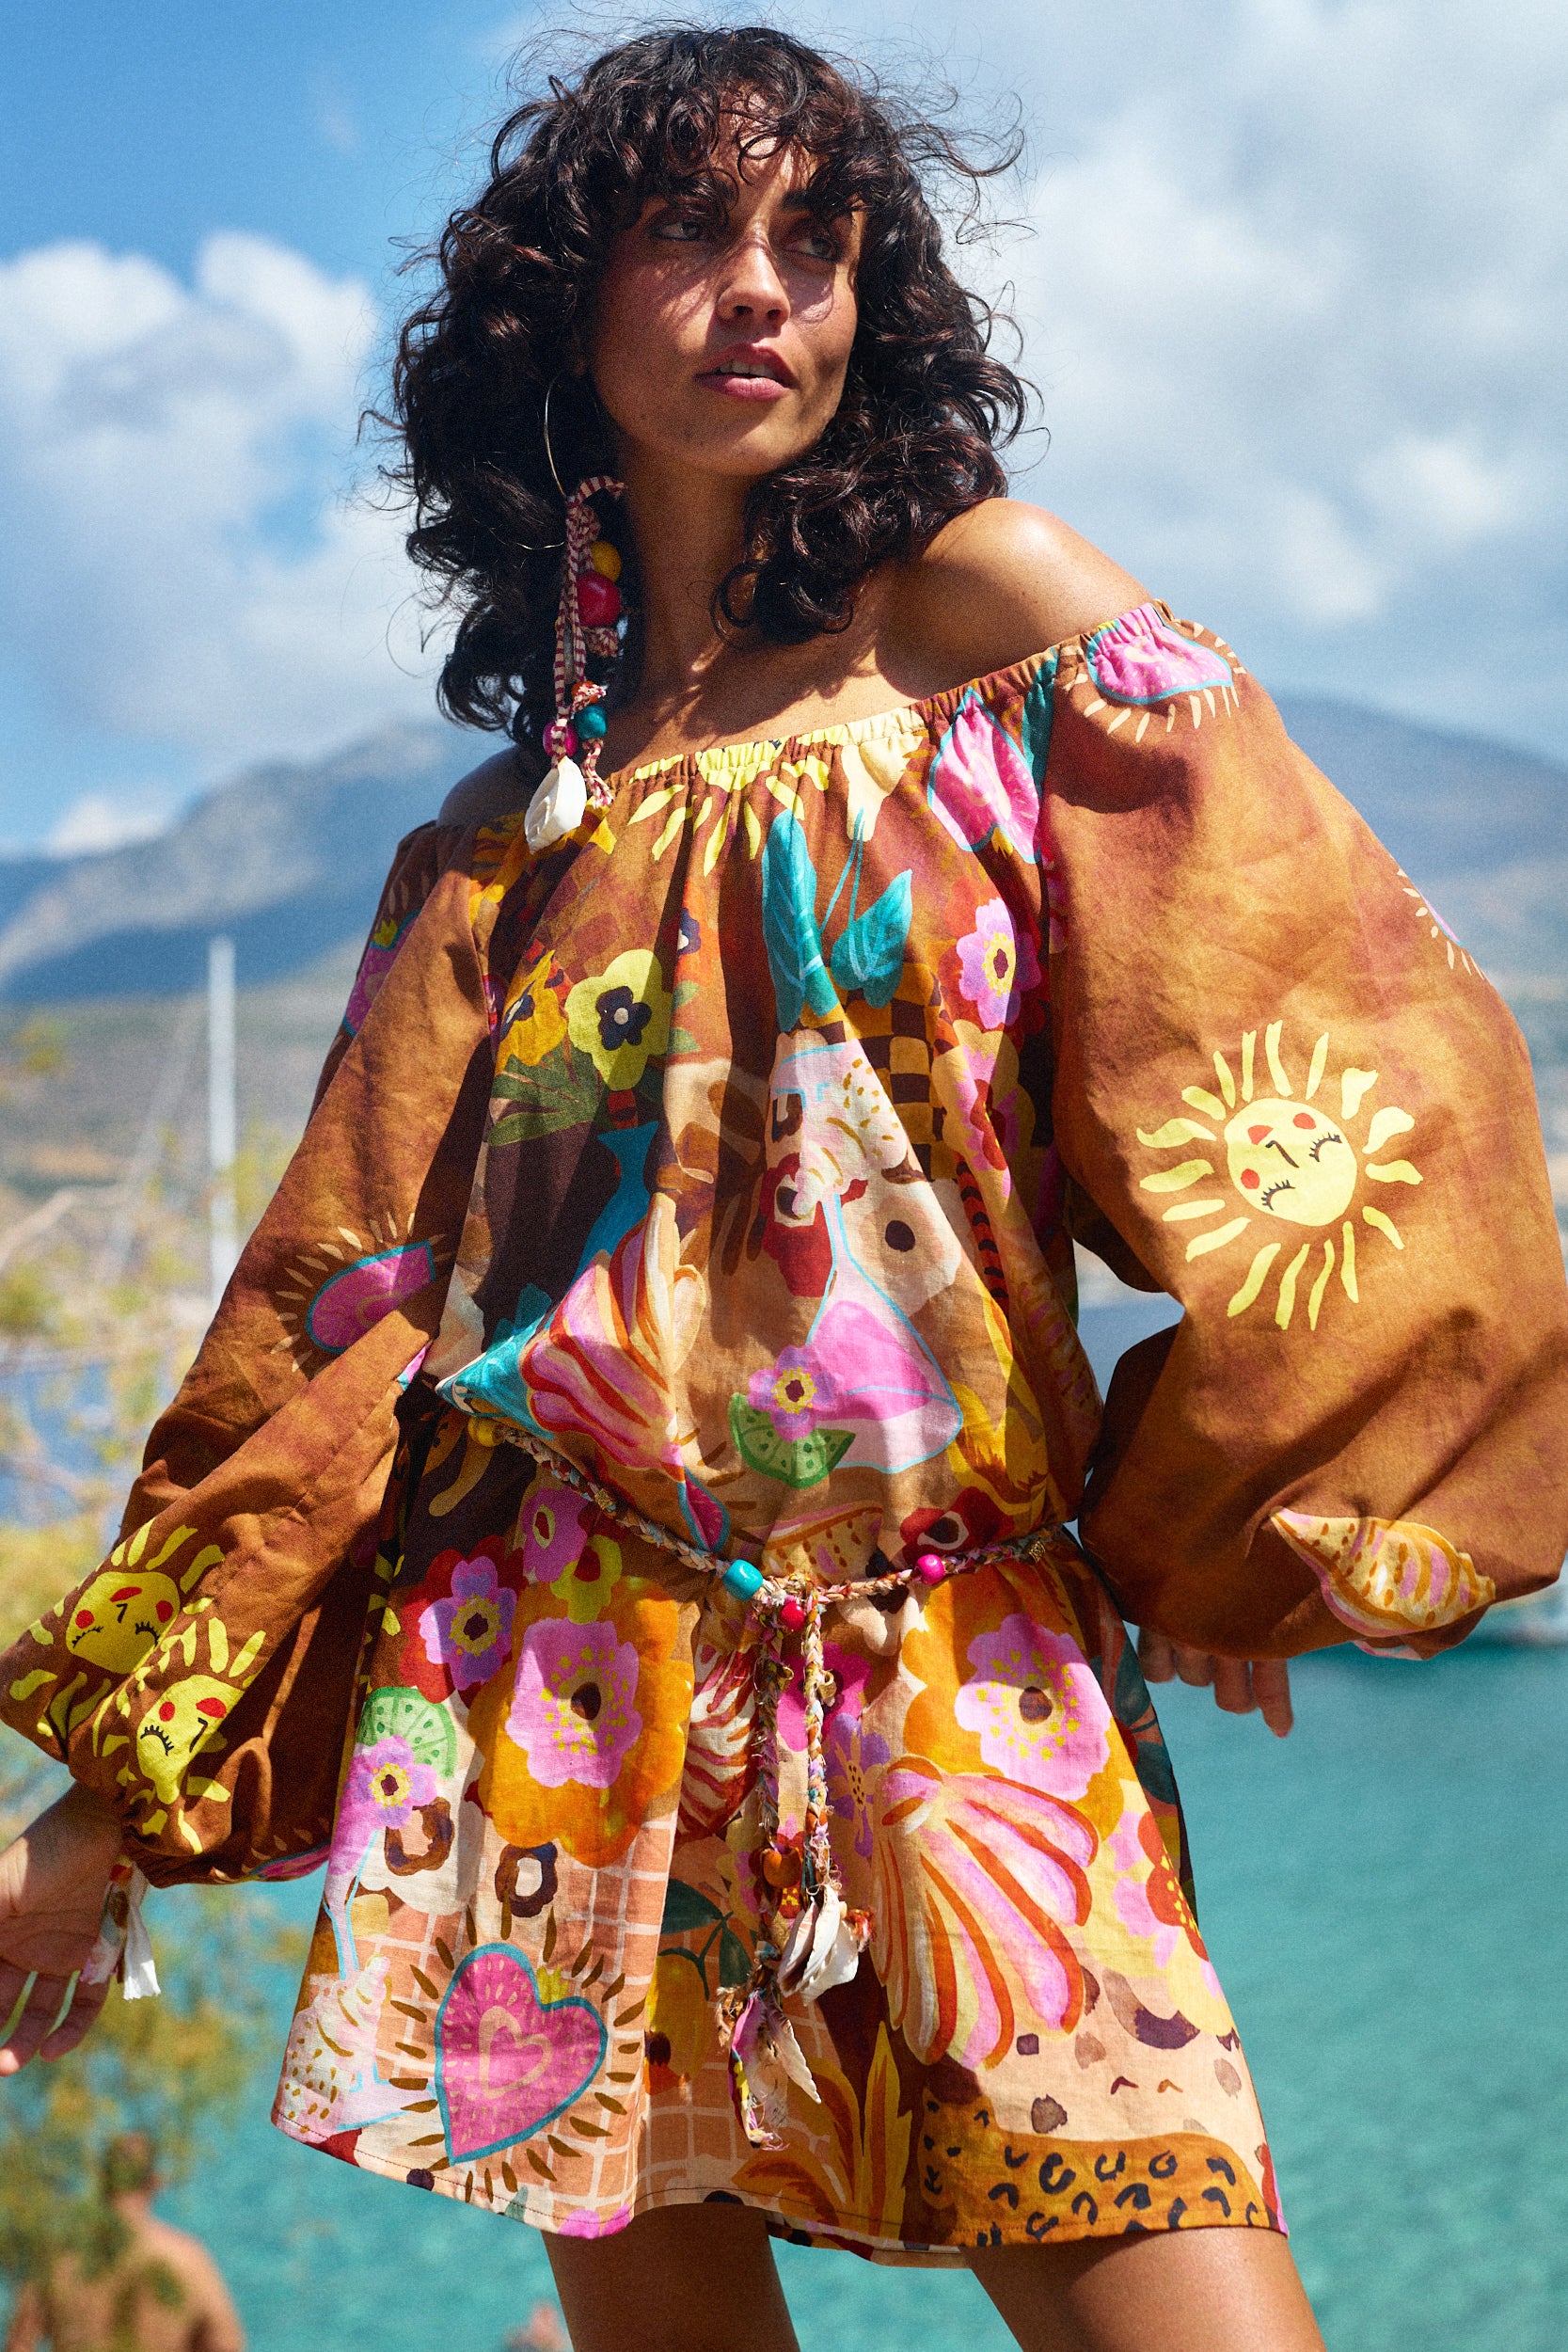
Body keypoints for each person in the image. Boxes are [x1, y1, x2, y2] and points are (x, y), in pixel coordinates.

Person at [1, 24, 1564, 2352]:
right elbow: (342, 1321)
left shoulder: (994, 634)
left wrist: (1253, 1502)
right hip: (553, 1691)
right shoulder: (505, 842)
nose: (764, 292)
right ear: (565, 306)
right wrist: (97, 1816)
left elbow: (1343, 1055)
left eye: (815, 242)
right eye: (692, 230)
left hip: (954, 1661)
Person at [3, 2132, 245, 2352]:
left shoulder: (60, 2258)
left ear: (101, 2178)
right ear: (155, 2182)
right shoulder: (188, 2260)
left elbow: (19, 2344)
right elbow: (224, 2345)